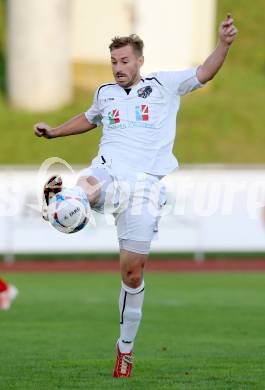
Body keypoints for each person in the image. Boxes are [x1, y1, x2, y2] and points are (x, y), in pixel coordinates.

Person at [34, 14, 237, 378]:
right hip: (108, 171)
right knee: (88, 183)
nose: (118, 68)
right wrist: (53, 133)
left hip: (144, 187)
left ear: (140, 60)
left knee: (132, 272)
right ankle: (67, 205)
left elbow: (205, 71)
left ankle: (124, 348)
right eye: (113, 62)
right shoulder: (105, 94)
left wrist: (223, 44)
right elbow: (88, 118)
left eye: (124, 61)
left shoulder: (164, 85)